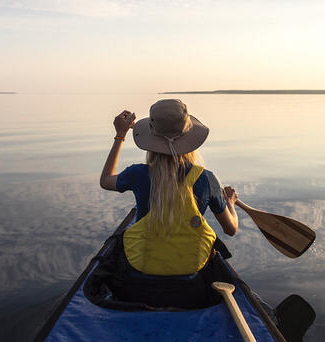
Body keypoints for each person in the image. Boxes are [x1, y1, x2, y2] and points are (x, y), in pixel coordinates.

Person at [97, 99, 239, 307]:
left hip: (139, 275)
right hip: (191, 278)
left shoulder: (138, 174)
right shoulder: (206, 178)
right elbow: (231, 229)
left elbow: (106, 180)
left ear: (151, 139)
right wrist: (230, 204)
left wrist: (120, 135)